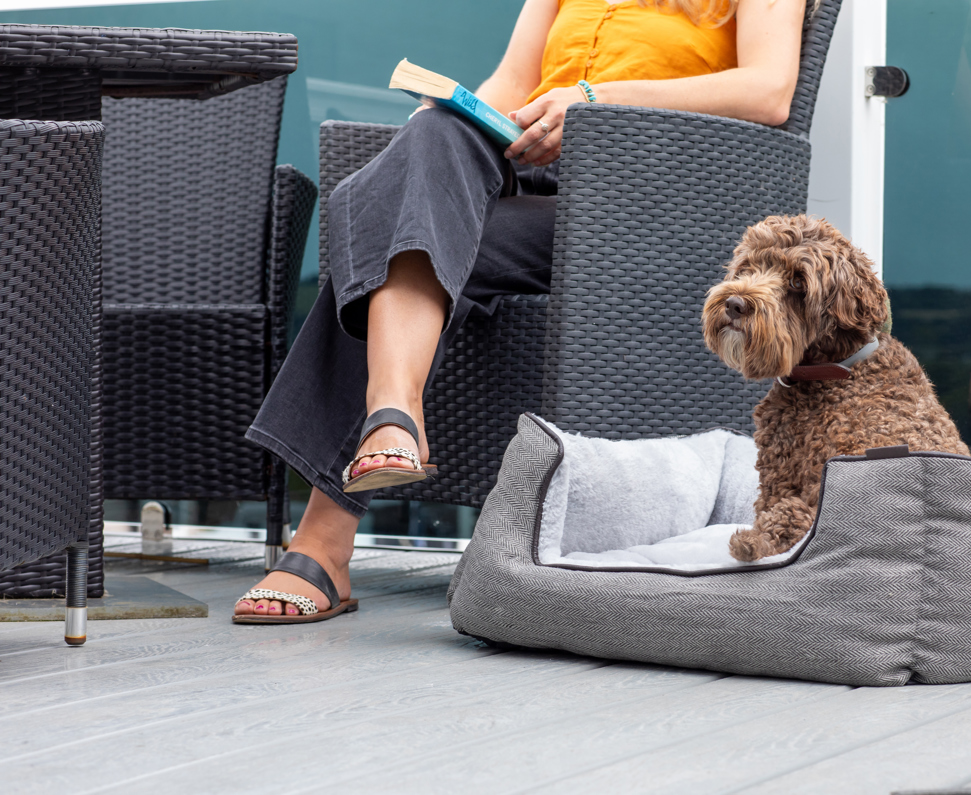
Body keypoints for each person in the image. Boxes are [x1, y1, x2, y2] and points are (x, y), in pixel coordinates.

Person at [234, 0, 807, 622]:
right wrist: (455, 118)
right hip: (528, 173)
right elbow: (511, 84)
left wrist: (595, 99)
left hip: (642, 200)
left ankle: (324, 541)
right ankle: (391, 415)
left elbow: (769, 91)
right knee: (429, 141)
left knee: (385, 226)